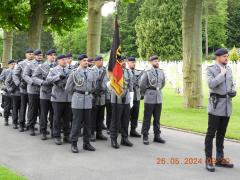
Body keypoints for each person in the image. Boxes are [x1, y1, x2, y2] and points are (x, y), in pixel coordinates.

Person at [204, 48, 236, 172]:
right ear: (217, 57)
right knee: (211, 134)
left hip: (227, 106)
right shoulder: (210, 69)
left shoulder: (228, 69)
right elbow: (211, 84)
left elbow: (231, 83)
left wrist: (233, 91)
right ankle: (208, 161)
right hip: (216, 106)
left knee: (221, 134)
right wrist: (221, 74)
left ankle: (219, 159)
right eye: (224, 56)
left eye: (227, 56)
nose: (226, 58)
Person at [65, 54, 96, 153]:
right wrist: (77, 94)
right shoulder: (74, 73)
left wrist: (88, 93)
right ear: (79, 62)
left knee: (88, 124)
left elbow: (94, 86)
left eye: (87, 60)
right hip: (77, 100)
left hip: (87, 100)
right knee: (76, 123)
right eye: (84, 60)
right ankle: (74, 143)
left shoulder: (91, 72)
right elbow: (68, 88)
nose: (86, 62)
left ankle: (86, 143)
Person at [108, 56, 134, 149]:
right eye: (120, 61)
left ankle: (124, 138)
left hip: (126, 97)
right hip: (116, 97)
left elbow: (131, 85)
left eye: (124, 61)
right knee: (115, 120)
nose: (123, 62)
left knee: (125, 119)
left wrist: (131, 98)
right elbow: (109, 85)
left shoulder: (128, 71)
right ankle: (113, 139)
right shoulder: (114, 71)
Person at [46, 54, 72, 145]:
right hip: (57, 97)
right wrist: (58, 77)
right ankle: (56, 136)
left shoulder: (70, 69)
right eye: (62, 60)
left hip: (68, 97)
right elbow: (48, 79)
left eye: (65, 59)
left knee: (67, 118)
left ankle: (66, 136)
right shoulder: (54, 70)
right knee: (57, 118)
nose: (64, 61)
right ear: (58, 61)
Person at [140, 55, 166, 145]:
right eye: (155, 61)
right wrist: (145, 94)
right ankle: (145, 135)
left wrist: (157, 90)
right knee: (147, 118)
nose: (157, 62)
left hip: (158, 97)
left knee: (157, 118)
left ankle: (157, 136)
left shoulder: (161, 72)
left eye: (158, 61)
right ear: (150, 62)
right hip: (149, 97)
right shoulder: (147, 72)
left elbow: (163, 83)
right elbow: (142, 85)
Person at [32, 49, 56, 140]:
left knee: (54, 114)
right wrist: (42, 82)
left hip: (55, 93)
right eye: (51, 55)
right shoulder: (42, 66)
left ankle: (54, 131)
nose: (53, 56)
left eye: (54, 55)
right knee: (43, 114)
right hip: (45, 93)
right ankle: (43, 131)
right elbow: (34, 77)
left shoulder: (57, 65)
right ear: (47, 56)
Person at [13, 48, 35, 132]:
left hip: (33, 88)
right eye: (29, 54)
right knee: (23, 106)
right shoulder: (21, 63)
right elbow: (15, 75)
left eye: (32, 53)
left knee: (32, 107)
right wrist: (18, 83)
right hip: (24, 88)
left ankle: (30, 124)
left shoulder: (35, 63)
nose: (31, 55)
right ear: (26, 55)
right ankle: (21, 123)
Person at [23, 49, 44, 136]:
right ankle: (31, 126)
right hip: (33, 90)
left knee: (42, 110)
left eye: (41, 55)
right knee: (33, 109)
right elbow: (25, 75)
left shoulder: (44, 64)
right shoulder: (30, 64)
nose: (40, 56)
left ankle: (43, 128)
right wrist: (32, 82)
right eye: (38, 55)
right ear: (35, 56)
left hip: (43, 90)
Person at [90, 56, 108, 141]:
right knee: (93, 116)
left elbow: (107, 83)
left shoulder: (105, 71)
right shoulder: (91, 71)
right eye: (99, 60)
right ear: (95, 62)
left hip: (102, 96)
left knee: (101, 116)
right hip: (94, 96)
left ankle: (99, 133)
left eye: (102, 60)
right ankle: (92, 133)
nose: (101, 62)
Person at [127, 56, 142, 137]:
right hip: (128, 97)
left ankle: (133, 130)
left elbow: (141, 84)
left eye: (134, 62)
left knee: (135, 114)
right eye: (132, 62)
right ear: (128, 63)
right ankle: (124, 129)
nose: (134, 64)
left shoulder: (138, 72)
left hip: (136, 96)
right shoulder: (125, 72)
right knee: (127, 114)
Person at [5, 60, 21, 129]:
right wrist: (9, 89)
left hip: (23, 93)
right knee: (14, 108)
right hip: (15, 92)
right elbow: (6, 81)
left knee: (22, 109)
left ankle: (21, 122)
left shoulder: (24, 71)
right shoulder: (11, 71)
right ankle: (14, 122)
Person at [0, 60, 15, 126]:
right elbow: (0, 79)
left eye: (14, 64)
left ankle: (15, 121)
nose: (13, 65)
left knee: (14, 107)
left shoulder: (16, 71)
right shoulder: (5, 71)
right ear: (9, 65)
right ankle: (6, 119)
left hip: (14, 91)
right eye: (12, 64)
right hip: (6, 92)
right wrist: (4, 87)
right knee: (7, 106)